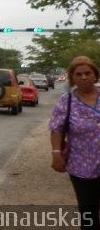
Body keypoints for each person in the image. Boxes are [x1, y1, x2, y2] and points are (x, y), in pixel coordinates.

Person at [49, 56, 100, 230]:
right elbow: (56, 128)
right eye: (78, 74)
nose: (84, 77)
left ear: (95, 75)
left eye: (88, 73)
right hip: (81, 166)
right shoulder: (67, 101)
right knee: (88, 211)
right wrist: (56, 154)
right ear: (72, 78)